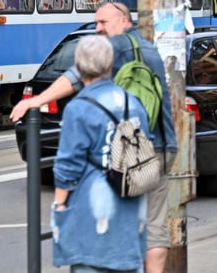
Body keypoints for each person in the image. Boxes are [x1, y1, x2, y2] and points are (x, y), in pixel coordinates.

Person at [11, 1, 177, 273]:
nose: (97, 28)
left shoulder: (117, 45)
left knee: (118, 219)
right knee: (154, 226)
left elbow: (79, 73)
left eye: (103, 22)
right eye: (96, 22)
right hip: (161, 144)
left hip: (132, 150)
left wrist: (37, 100)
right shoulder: (149, 48)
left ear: (124, 21)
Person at [51, 34, 149, 272]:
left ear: (79, 66)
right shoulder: (133, 103)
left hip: (94, 212)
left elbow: (68, 165)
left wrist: (59, 204)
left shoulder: (79, 108)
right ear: (110, 65)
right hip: (131, 208)